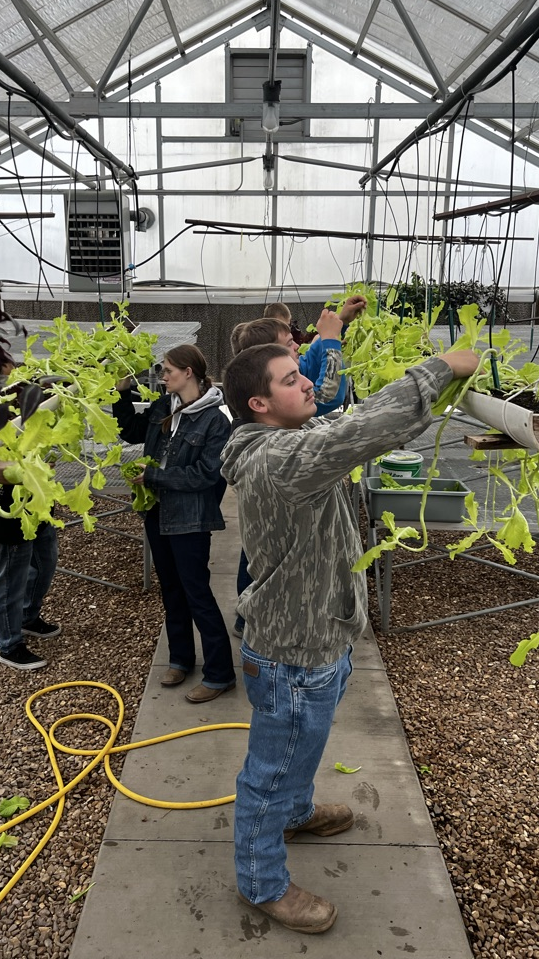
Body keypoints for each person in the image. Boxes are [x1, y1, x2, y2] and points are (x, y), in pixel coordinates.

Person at [220, 341, 480, 934]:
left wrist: (332, 340)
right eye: (292, 379)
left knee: (299, 753)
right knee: (272, 768)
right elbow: (359, 429)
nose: (307, 383)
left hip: (323, 635)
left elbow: (340, 415)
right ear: (260, 403)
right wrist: (439, 369)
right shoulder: (280, 460)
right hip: (293, 654)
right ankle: (261, 881)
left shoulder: (288, 441)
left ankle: (297, 811)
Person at [229, 293, 367, 639]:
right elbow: (328, 394)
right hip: (296, 630)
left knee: (260, 557)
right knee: (267, 563)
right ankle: (252, 616)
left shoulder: (282, 386)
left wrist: (340, 324)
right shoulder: (285, 411)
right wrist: (334, 339)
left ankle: (250, 613)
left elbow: (312, 357)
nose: (299, 352)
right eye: (291, 347)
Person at [113, 344, 236, 704]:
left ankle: (220, 674)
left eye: (168, 371)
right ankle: (181, 658)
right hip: (158, 513)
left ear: (188, 373)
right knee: (172, 591)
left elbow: (207, 475)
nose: (162, 376)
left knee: (197, 594)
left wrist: (154, 476)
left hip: (191, 519)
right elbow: (132, 431)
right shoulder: (163, 406)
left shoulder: (215, 420)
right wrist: (120, 394)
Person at [0, 483, 60, 670]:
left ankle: (27, 617)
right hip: (4, 516)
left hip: (36, 506)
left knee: (45, 563)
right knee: (10, 581)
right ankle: (9, 645)